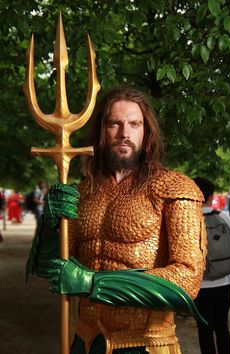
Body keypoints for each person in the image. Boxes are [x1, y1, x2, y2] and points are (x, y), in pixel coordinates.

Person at [27, 88, 207, 354]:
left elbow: (188, 279)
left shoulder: (174, 188)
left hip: (144, 343)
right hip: (85, 340)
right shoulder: (82, 193)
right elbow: (51, 270)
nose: (125, 133)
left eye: (134, 124)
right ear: (102, 130)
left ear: (147, 132)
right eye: (114, 123)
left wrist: (92, 283)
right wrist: (51, 226)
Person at [193, 177, 230, 354]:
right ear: (211, 196)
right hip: (224, 281)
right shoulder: (224, 218)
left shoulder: (188, 221)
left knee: (205, 329)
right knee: (222, 326)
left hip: (200, 285)